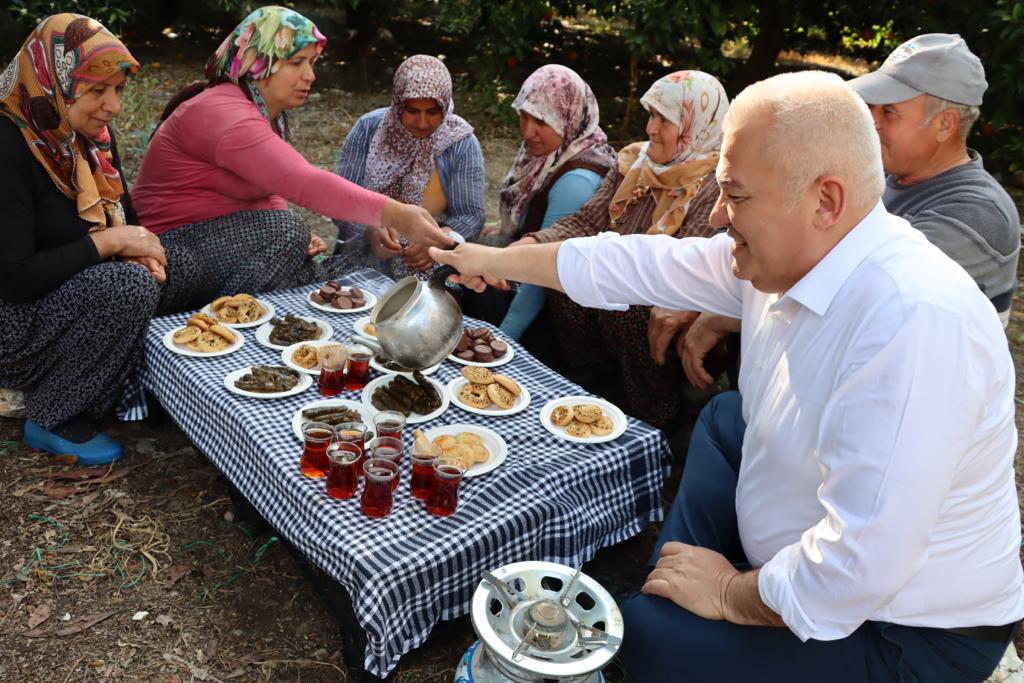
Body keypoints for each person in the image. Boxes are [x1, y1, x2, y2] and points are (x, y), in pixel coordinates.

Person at [430, 71, 1024, 681]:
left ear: (826, 200)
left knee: (643, 640)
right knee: (724, 417)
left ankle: (679, 604)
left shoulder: (912, 322)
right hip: (819, 543)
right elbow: (632, 262)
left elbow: (857, 570)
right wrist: (493, 259)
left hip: (903, 630)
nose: (717, 215)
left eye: (735, 195)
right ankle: (679, 583)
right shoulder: (802, 250)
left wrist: (728, 594)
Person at [672, 32, 1024, 390]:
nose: (873, 121)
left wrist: (721, 313)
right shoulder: (884, 177)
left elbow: (846, 283)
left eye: (889, 112)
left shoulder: (979, 213)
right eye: (872, 108)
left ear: (945, 124)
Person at [130, 6, 453, 313]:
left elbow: (266, 188)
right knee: (287, 232)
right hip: (163, 259)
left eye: (311, 63)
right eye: (297, 63)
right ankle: (226, 320)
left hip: (202, 246)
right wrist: (397, 215)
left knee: (303, 246)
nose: (309, 76)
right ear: (260, 63)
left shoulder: (258, 110)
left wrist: (289, 236)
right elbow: (304, 182)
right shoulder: (223, 113)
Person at [512, 70, 728, 427]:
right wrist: (529, 246)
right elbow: (584, 223)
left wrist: (616, 275)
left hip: (668, 316)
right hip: (616, 311)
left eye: (665, 119)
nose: (650, 129)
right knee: (566, 274)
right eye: (651, 115)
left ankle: (654, 421)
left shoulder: (713, 188)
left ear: (697, 127)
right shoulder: (635, 164)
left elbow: (689, 274)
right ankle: (590, 388)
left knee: (625, 305)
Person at [0, 14, 166, 464]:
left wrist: (138, 252)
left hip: (69, 290)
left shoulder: (87, 139)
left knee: (171, 266)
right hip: (13, 326)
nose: (112, 106)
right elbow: (13, 279)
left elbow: (123, 216)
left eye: (118, 90)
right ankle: (52, 416)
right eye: (96, 90)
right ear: (51, 83)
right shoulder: (9, 144)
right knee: (127, 286)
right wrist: (112, 246)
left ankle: (129, 379)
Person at [463, 64, 615, 348]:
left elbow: (542, 274)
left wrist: (503, 340)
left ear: (567, 118)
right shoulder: (555, 150)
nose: (528, 131)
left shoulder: (576, 181)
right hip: (532, 268)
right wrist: (505, 227)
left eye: (541, 122)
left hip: (556, 312)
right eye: (523, 116)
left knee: (464, 282)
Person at [333, 54, 484, 280]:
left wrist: (440, 241)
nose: (422, 123)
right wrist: (369, 229)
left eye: (432, 112)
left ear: (445, 107)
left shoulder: (460, 143)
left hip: (430, 263)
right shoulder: (369, 129)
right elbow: (339, 198)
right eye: (412, 111)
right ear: (397, 103)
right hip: (363, 256)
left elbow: (471, 215)